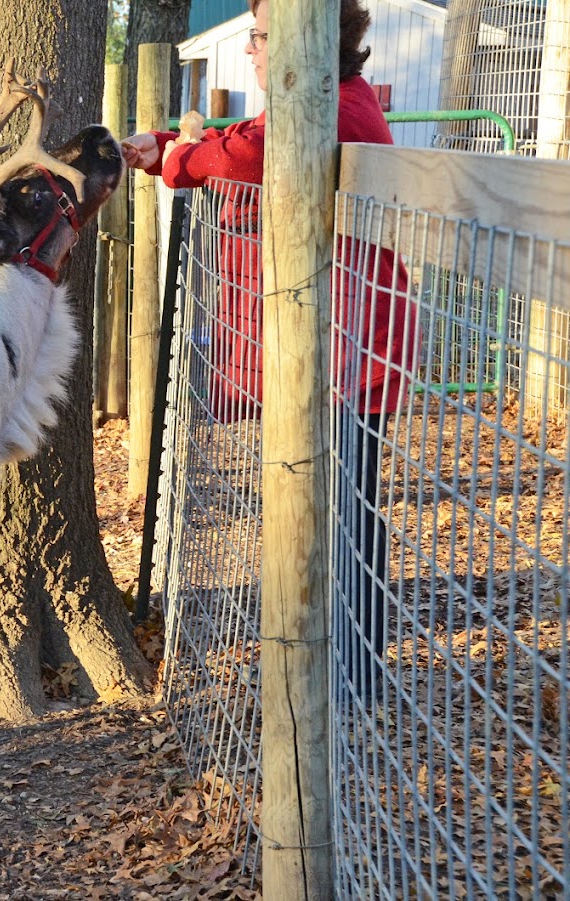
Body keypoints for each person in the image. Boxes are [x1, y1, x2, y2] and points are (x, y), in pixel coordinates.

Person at [122, 0, 419, 706]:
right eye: (254, 37)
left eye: (260, 38)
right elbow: (247, 137)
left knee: (346, 515)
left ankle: (354, 676)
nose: (251, 51)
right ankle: (328, 663)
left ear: (299, 45)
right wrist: (165, 144)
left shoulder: (336, 109)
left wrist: (177, 159)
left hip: (354, 359)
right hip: (327, 354)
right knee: (320, 507)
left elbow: (254, 151)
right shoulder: (315, 102)